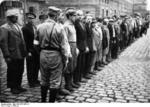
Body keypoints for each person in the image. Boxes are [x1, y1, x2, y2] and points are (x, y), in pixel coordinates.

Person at [35, 6, 69, 102]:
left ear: (49, 15)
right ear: (56, 16)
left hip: (43, 54)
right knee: (55, 81)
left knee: (44, 79)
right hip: (55, 55)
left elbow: (35, 43)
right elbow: (64, 47)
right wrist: (65, 58)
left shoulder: (39, 26)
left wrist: (41, 52)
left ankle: (43, 101)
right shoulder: (59, 28)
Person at [0, 9, 27, 94]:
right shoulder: (4, 28)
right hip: (12, 54)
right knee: (12, 71)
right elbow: (3, 43)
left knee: (20, 70)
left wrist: (24, 51)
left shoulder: (18, 26)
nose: (16, 18)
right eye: (15, 17)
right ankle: (13, 87)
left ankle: (18, 85)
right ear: (10, 17)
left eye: (16, 17)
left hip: (20, 53)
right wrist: (7, 55)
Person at [22, 13, 40, 88]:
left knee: (36, 66)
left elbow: (35, 39)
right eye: (29, 18)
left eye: (32, 18)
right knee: (30, 67)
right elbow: (24, 41)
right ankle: (31, 82)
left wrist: (37, 46)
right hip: (30, 50)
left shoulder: (35, 27)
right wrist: (27, 52)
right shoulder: (25, 28)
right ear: (26, 19)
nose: (31, 19)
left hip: (36, 50)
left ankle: (35, 79)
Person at [64, 8, 79, 92]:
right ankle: (67, 84)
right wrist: (68, 51)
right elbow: (65, 40)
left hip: (74, 45)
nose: (75, 17)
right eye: (74, 16)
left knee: (73, 64)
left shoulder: (72, 24)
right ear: (69, 16)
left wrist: (75, 47)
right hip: (69, 46)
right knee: (69, 66)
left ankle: (71, 82)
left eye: (76, 15)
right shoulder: (66, 25)